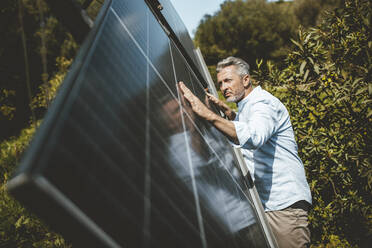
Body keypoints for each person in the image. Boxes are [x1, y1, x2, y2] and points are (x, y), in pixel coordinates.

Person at [178, 56, 312, 248]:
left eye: (228, 80)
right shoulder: (248, 107)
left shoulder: (263, 104)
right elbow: (251, 127)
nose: (223, 87)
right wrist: (231, 115)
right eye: (220, 83)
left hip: (283, 205)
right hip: (266, 205)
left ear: (246, 79)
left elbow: (254, 136)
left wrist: (206, 114)